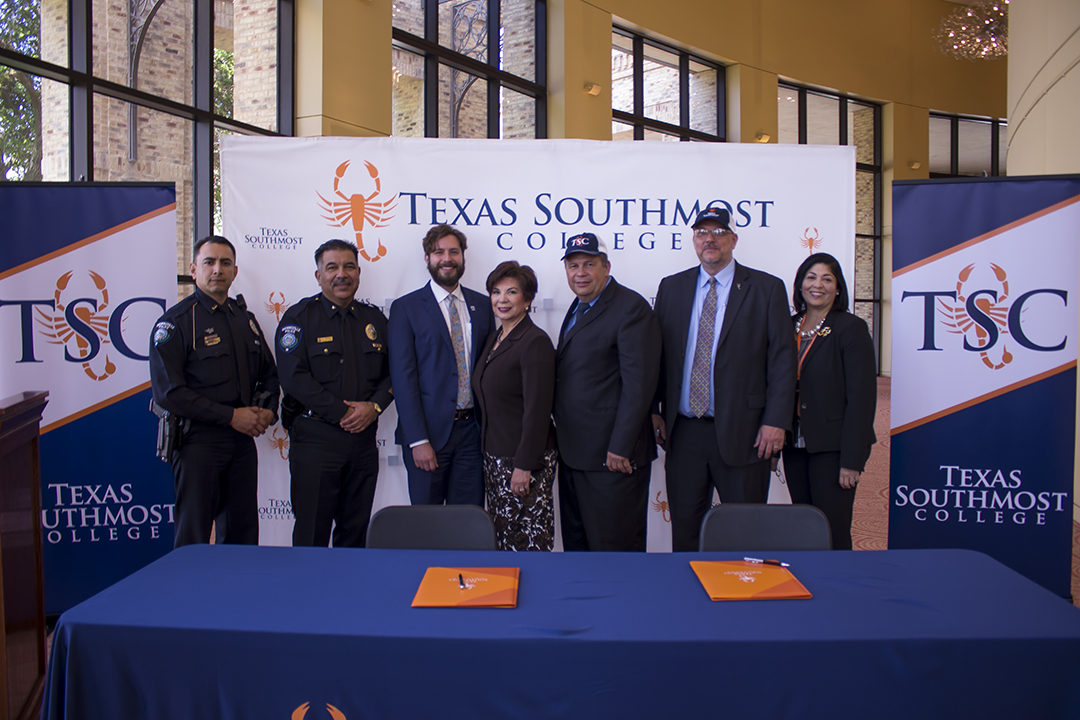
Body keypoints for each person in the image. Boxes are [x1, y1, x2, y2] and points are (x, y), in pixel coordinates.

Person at [652, 207, 796, 551]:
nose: (709, 239)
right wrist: (654, 409)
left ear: (733, 239)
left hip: (746, 432)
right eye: (702, 232)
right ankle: (687, 595)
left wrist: (776, 420)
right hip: (684, 431)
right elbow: (659, 356)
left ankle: (743, 598)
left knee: (743, 531)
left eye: (718, 232)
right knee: (685, 529)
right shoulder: (672, 287)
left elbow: (781, 361)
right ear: (694, 240)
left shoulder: (766, 288)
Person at [149, 235, 278, 548]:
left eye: (225, 263)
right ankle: (189, 597)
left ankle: (239, 595)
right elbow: (170, 393)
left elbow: (269, 375)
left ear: (235, 272)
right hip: (198, 444)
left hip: (242, 444)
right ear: (194, 270)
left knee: (243, 536)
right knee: (193, 537)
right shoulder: (176, 323)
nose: (217, 269)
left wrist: (266, 411)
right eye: (209, 262)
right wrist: (231, 416)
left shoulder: (244, 320)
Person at [275, 239, 394, 548]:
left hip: (363, 441)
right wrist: (343, 412)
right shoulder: (299, 318)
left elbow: (394, 373)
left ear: (358, 272)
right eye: (332, 267)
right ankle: (308, 595)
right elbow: (293, 377)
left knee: (355, 532)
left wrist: (375, 407)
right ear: (319, 276)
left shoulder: (375, 320)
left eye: (349, 267)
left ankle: (349, 594)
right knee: (311, 533)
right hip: (316, 441)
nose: (341, 274)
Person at [554, 232, 661, 552]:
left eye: (589, 264)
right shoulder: (578, 306)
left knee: (615, 551)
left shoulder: (630, 308)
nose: (580, 272)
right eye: (573, 266)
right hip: (576, 455)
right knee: (580, 548)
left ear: (606, 267)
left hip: (612, 459)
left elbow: (639, 385)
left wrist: (621, 447)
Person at [388, 224, 494, 507]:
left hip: (473, 434)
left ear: (463, 257)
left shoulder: (483, 305)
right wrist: (418, 439)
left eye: (454, 252)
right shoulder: (406, 308)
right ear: (427, 258)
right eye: (439, 252)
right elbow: (403, 378)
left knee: (468, 524)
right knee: (427, 527)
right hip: (429, 436)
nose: (447, 258)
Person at [782, 252, 877, 550]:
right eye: (811, 277)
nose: (817, 285)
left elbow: (862, 399)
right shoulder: (789, 326)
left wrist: (852, 460)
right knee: (804, 527)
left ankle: (841, 590)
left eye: (827, 279)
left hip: (834, 448)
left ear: (838, 287)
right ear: (799, 285)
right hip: (795, 445)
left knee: (832, 530)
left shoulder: (850, 328)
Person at [471, 261, 557, 551]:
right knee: (503, 539)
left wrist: (524, 465)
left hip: (524, 461)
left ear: (528, 299)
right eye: (496, 292)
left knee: (528, 540)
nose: (502, 299)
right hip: (496, 457)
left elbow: (538, 410)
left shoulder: (534, 342)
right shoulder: (495, 338)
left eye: (512, 292)